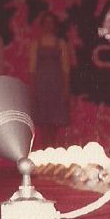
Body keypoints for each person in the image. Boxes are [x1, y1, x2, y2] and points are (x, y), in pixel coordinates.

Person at [28, 11, 71, 148]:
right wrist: (33, 88)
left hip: (56, 86)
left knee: (54, 121)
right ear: (42, 25)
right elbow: (32, 69)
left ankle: (52, 148)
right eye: (46, 22)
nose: (48, 25)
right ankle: (45, 148)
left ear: (55, 25)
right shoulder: (36, 44)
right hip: (41, 85)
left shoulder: (61, 44)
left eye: (51, 23)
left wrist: (66, 88)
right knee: (43, 121)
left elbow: (65, 68)